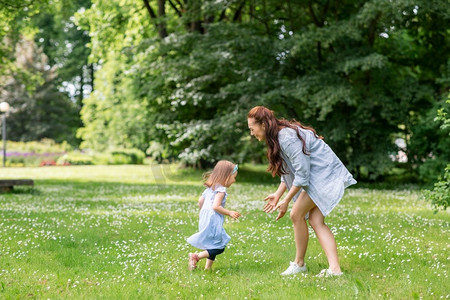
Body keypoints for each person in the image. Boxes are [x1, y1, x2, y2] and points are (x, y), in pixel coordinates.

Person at [247, 106, 356, 277]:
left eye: (252, 129)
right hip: (317, 176)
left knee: (296, 214)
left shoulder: (286, 137)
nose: (251, 133)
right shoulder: (278, 137)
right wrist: (278, 194)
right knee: (315, 220)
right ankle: (335, 269)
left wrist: (287, 200)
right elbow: (290, 171)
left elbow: (303, 174)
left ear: (263, 124)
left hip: (323, 175)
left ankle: (300, 264)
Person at [187, 160, 241, 271]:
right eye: (233, 177)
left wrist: (203, 212)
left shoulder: (210, 188)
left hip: (205, 218)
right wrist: (230, 212)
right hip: (213, 221)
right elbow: (216, 206)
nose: (234, 180)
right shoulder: (221, 190)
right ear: (226, 177)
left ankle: (208, 268)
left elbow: (200, 201)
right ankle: (196, 256)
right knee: (219, 247)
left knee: (212, 244)